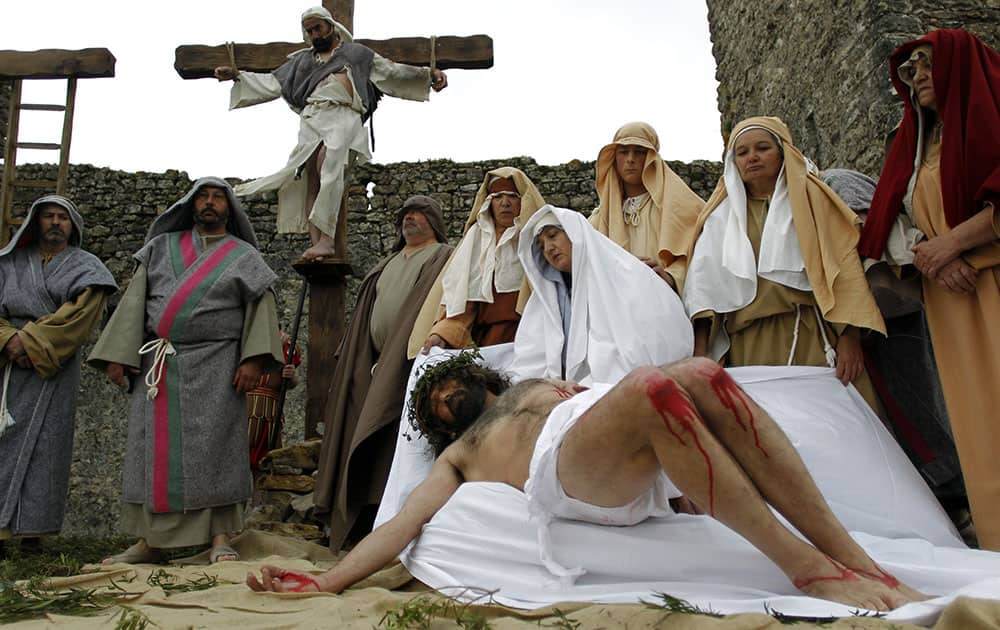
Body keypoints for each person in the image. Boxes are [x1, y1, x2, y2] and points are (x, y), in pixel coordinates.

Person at [247, 354, 926, 611]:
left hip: (603, 435)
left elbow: (634, 414)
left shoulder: (540, 385)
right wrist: (331, 579)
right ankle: (807, 569)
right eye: (434, 402)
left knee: (703, 375)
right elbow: (402, 524)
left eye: (453, 383)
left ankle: (853, 557)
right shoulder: (461, 454)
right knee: (657, 384)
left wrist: (687, 477)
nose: (447, 397)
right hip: (562, 473)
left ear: (486, 379)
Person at [88, 177, 283, 564]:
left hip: (217, 365)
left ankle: (220, 538)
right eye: (203, 197)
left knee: (216, 451)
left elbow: (262, 309)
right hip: (159, 366)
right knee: (151, 451)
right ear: (191, 204)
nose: (210, 203)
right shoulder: (159, 249)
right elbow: (134, 303)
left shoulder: (244, 256)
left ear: (230, 208)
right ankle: (150, 543)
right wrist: (119, 355)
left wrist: (253, 360)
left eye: (218, 198)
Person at [858, 30, 1000, 550]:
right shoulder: (917, 147)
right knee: (977, 424)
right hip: (951, 298)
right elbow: (889, 219)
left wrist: (954, 245)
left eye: (924, 64)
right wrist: (929, 253)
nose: (915, 75)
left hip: (992, 280)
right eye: (909, 69)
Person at [682, 116, 885, 412]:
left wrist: (850, 336)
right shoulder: (719, 219)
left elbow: (843, 267)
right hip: (748, 347)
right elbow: (702, 290)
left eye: (762, 148)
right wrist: (701, 358)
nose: (752, 157)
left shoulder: (813, 201)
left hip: (811, 334)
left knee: (832, 426)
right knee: (773, 436)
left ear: (782, 152)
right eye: (742, 152)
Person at [214, 6, 448, 261]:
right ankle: (319, 243)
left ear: (331, 26)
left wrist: (428, 76)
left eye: (318, 28)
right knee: (310, 175)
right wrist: (237, 76)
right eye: (310, 30)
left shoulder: (356, 54)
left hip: (343, 116)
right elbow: (272, 82)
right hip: (313, 119)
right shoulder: (302, 61)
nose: (315, 34)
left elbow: (391, 71)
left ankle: (327, 239)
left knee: (330, 162)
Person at [314, 195, 452, 549]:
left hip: (411, 362)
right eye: (405, 214)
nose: (411, 219)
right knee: (361, 436)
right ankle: (361, 521)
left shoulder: (443, 256)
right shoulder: (386, 263)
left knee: (397, 442)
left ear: (434, 221)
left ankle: (395, 521)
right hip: (371, 363)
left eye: (419, 213)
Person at [0, 195, 117, 548]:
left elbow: (78, 318)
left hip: (53, 369)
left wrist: (30, 343)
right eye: (48, 216)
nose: (55, 222)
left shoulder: (87, 268)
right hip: (7, 368)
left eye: (62, 218)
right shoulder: (9, 263)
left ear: (73, 225)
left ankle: (33, 533)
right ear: (36, 222)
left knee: (46, 449)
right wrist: (8, 340)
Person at [509, 205, 692, 384]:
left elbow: (648, 344)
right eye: (541, 246)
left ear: (575, 233)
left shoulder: (626, 275)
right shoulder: (547, 299)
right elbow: (531, 358)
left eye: (553, 236)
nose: (548, 248)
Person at [409, 167, 546, 356]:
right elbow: (462, 304)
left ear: (523, 201)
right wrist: (441, 334)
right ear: (488, 203)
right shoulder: (475, 244)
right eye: (498, 197)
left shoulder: (539, 241)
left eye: (512, 196)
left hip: (532, 340)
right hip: (485, 344)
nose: (505, 203)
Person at [588, 122, 705, 289]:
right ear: (614, 158)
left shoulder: (680, 207)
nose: (630, 159)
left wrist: (671, 277)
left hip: (667, 305)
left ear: (652, 157)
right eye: (624, 152)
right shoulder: (599, 219)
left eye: (640, 152)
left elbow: (702, 252)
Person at [247, 330, 301, 471]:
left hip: (271, 411)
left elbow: (291, 382)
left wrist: (291, 377)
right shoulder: (248, 338)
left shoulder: (288, 345)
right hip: (247, 406)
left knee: (267, 461)